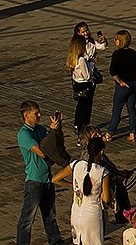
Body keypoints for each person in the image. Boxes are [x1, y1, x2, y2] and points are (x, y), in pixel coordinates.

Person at [16, 101, 65, 245]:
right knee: (27, 218)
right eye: (36, 113)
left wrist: (57, 129)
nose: (39, 115)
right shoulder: (24, 134)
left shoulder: (40, 129)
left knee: (50, 214)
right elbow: (42, 153)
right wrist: (51, 133)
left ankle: (55, 240)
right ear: (26, 115)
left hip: (47, 178)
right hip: (34, 181)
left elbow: (57, 143)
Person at [52, 137, 110, 245]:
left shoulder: (75, 165)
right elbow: (106, 198)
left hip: (76, 213)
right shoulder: (102, 172)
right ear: (101, 151)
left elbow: (55, 179)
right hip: (92, 215)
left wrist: (73, 187)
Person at [67, 23, 107, 134]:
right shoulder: (79, 53)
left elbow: (102, 46)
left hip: (83, 78)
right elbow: (86, 74)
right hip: (84, 80)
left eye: (87, 31)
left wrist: (104, 41)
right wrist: (91, 61)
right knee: (83, 105)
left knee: (87, 104)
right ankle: (80, 125)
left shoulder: (91, 42)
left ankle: (84, 124)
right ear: (77, 33)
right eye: (83, 32)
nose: (86, 33)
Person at [106, 30, 136, 143]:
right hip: (134, 83)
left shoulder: (117, 54)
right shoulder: (133, 52)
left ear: (121, 41)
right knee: (131, 110)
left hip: (123, 86)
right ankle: (132, 133)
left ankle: (110, 132)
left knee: (116, 111)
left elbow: (113, 72)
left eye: (116, 39)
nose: (114, 41)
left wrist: (119, 82)